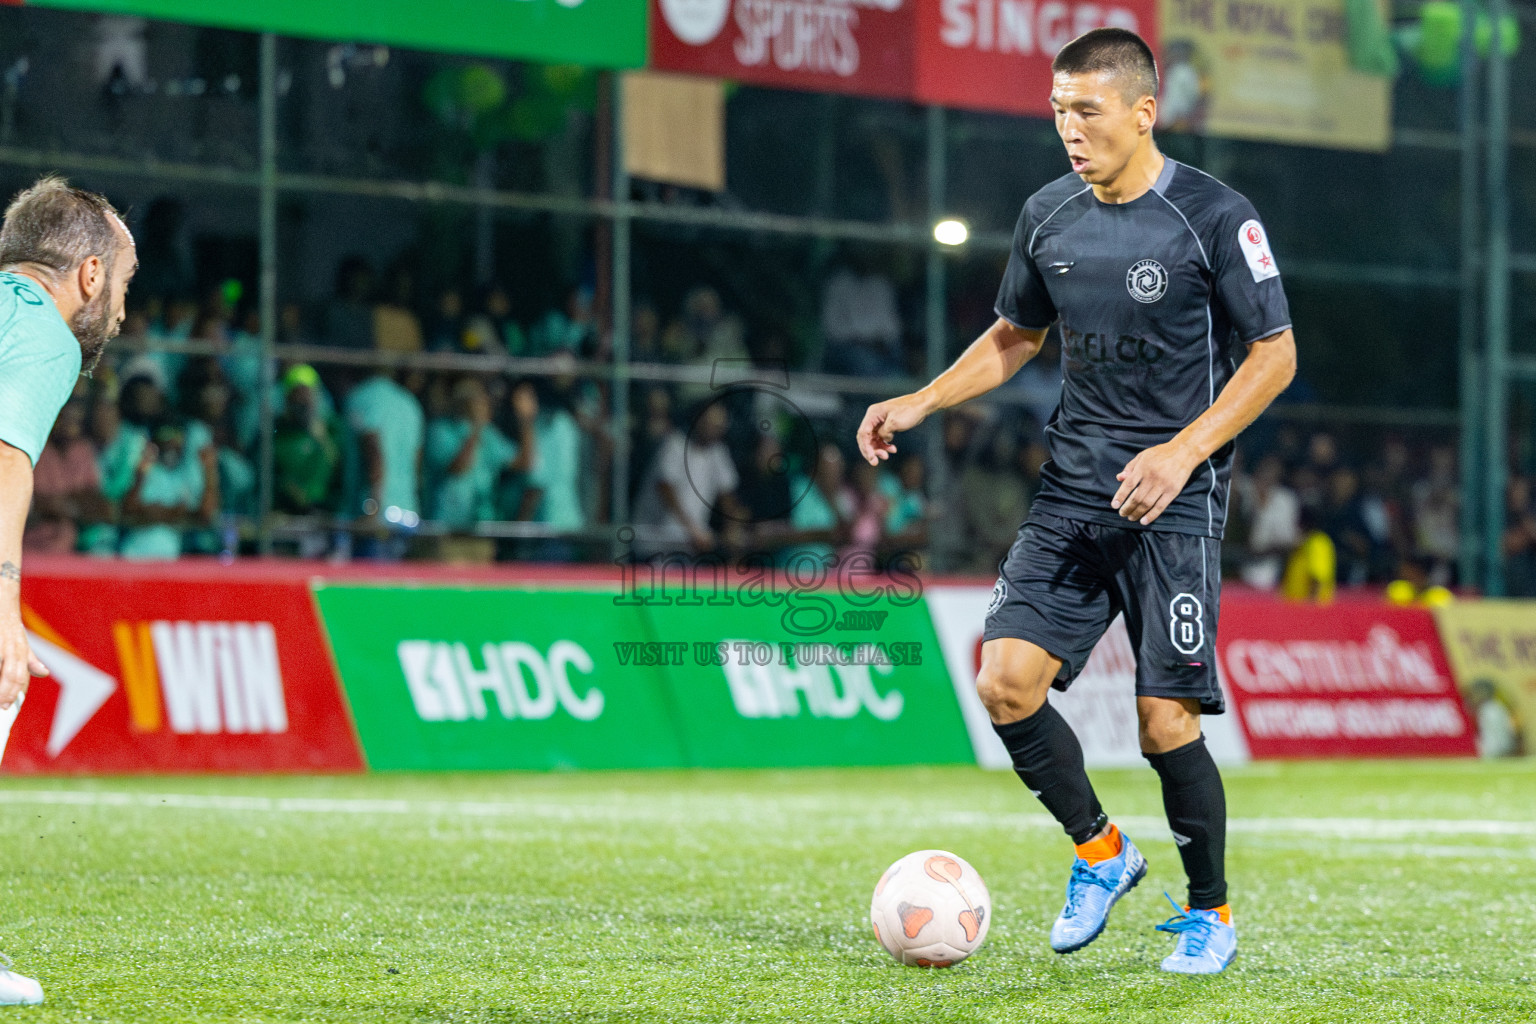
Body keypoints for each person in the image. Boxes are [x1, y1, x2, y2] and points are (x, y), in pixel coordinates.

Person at [855, 29, 1296, 975]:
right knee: (1004, 683)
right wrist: (921, 400)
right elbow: (1015, 335)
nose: (1069, 128)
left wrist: (1182, 452)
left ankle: (1210, 914)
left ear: (1144, 113)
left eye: (1087, 110)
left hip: (1174, 502)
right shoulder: (1047, 215)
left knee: (1164, 722)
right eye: (1058, 110)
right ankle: (1102, 851)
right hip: (1072, 493)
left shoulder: (1214, 217)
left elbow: (1275, 356)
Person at [0, 175, 137, 1005]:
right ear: (88, 275)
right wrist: (3, 607)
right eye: (122, 284)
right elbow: (6, 456)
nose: (120, 311)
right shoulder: (42, 332)